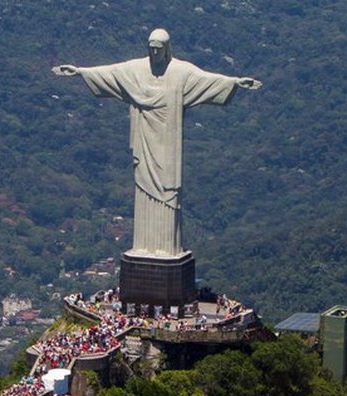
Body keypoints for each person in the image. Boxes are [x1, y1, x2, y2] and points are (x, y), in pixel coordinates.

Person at [53, 29, 261, 257]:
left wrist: (235, 82)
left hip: (168, 144)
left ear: (167, 49)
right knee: (143, 187)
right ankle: (143, 247)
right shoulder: (136, 70)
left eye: (159, 49)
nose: (154, 52)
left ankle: (166, 248)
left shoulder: (181, 72)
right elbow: (110, 73)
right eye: (151, 48)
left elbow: (207, 79)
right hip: (144, 140)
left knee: (168, 190)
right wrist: (80, 72)